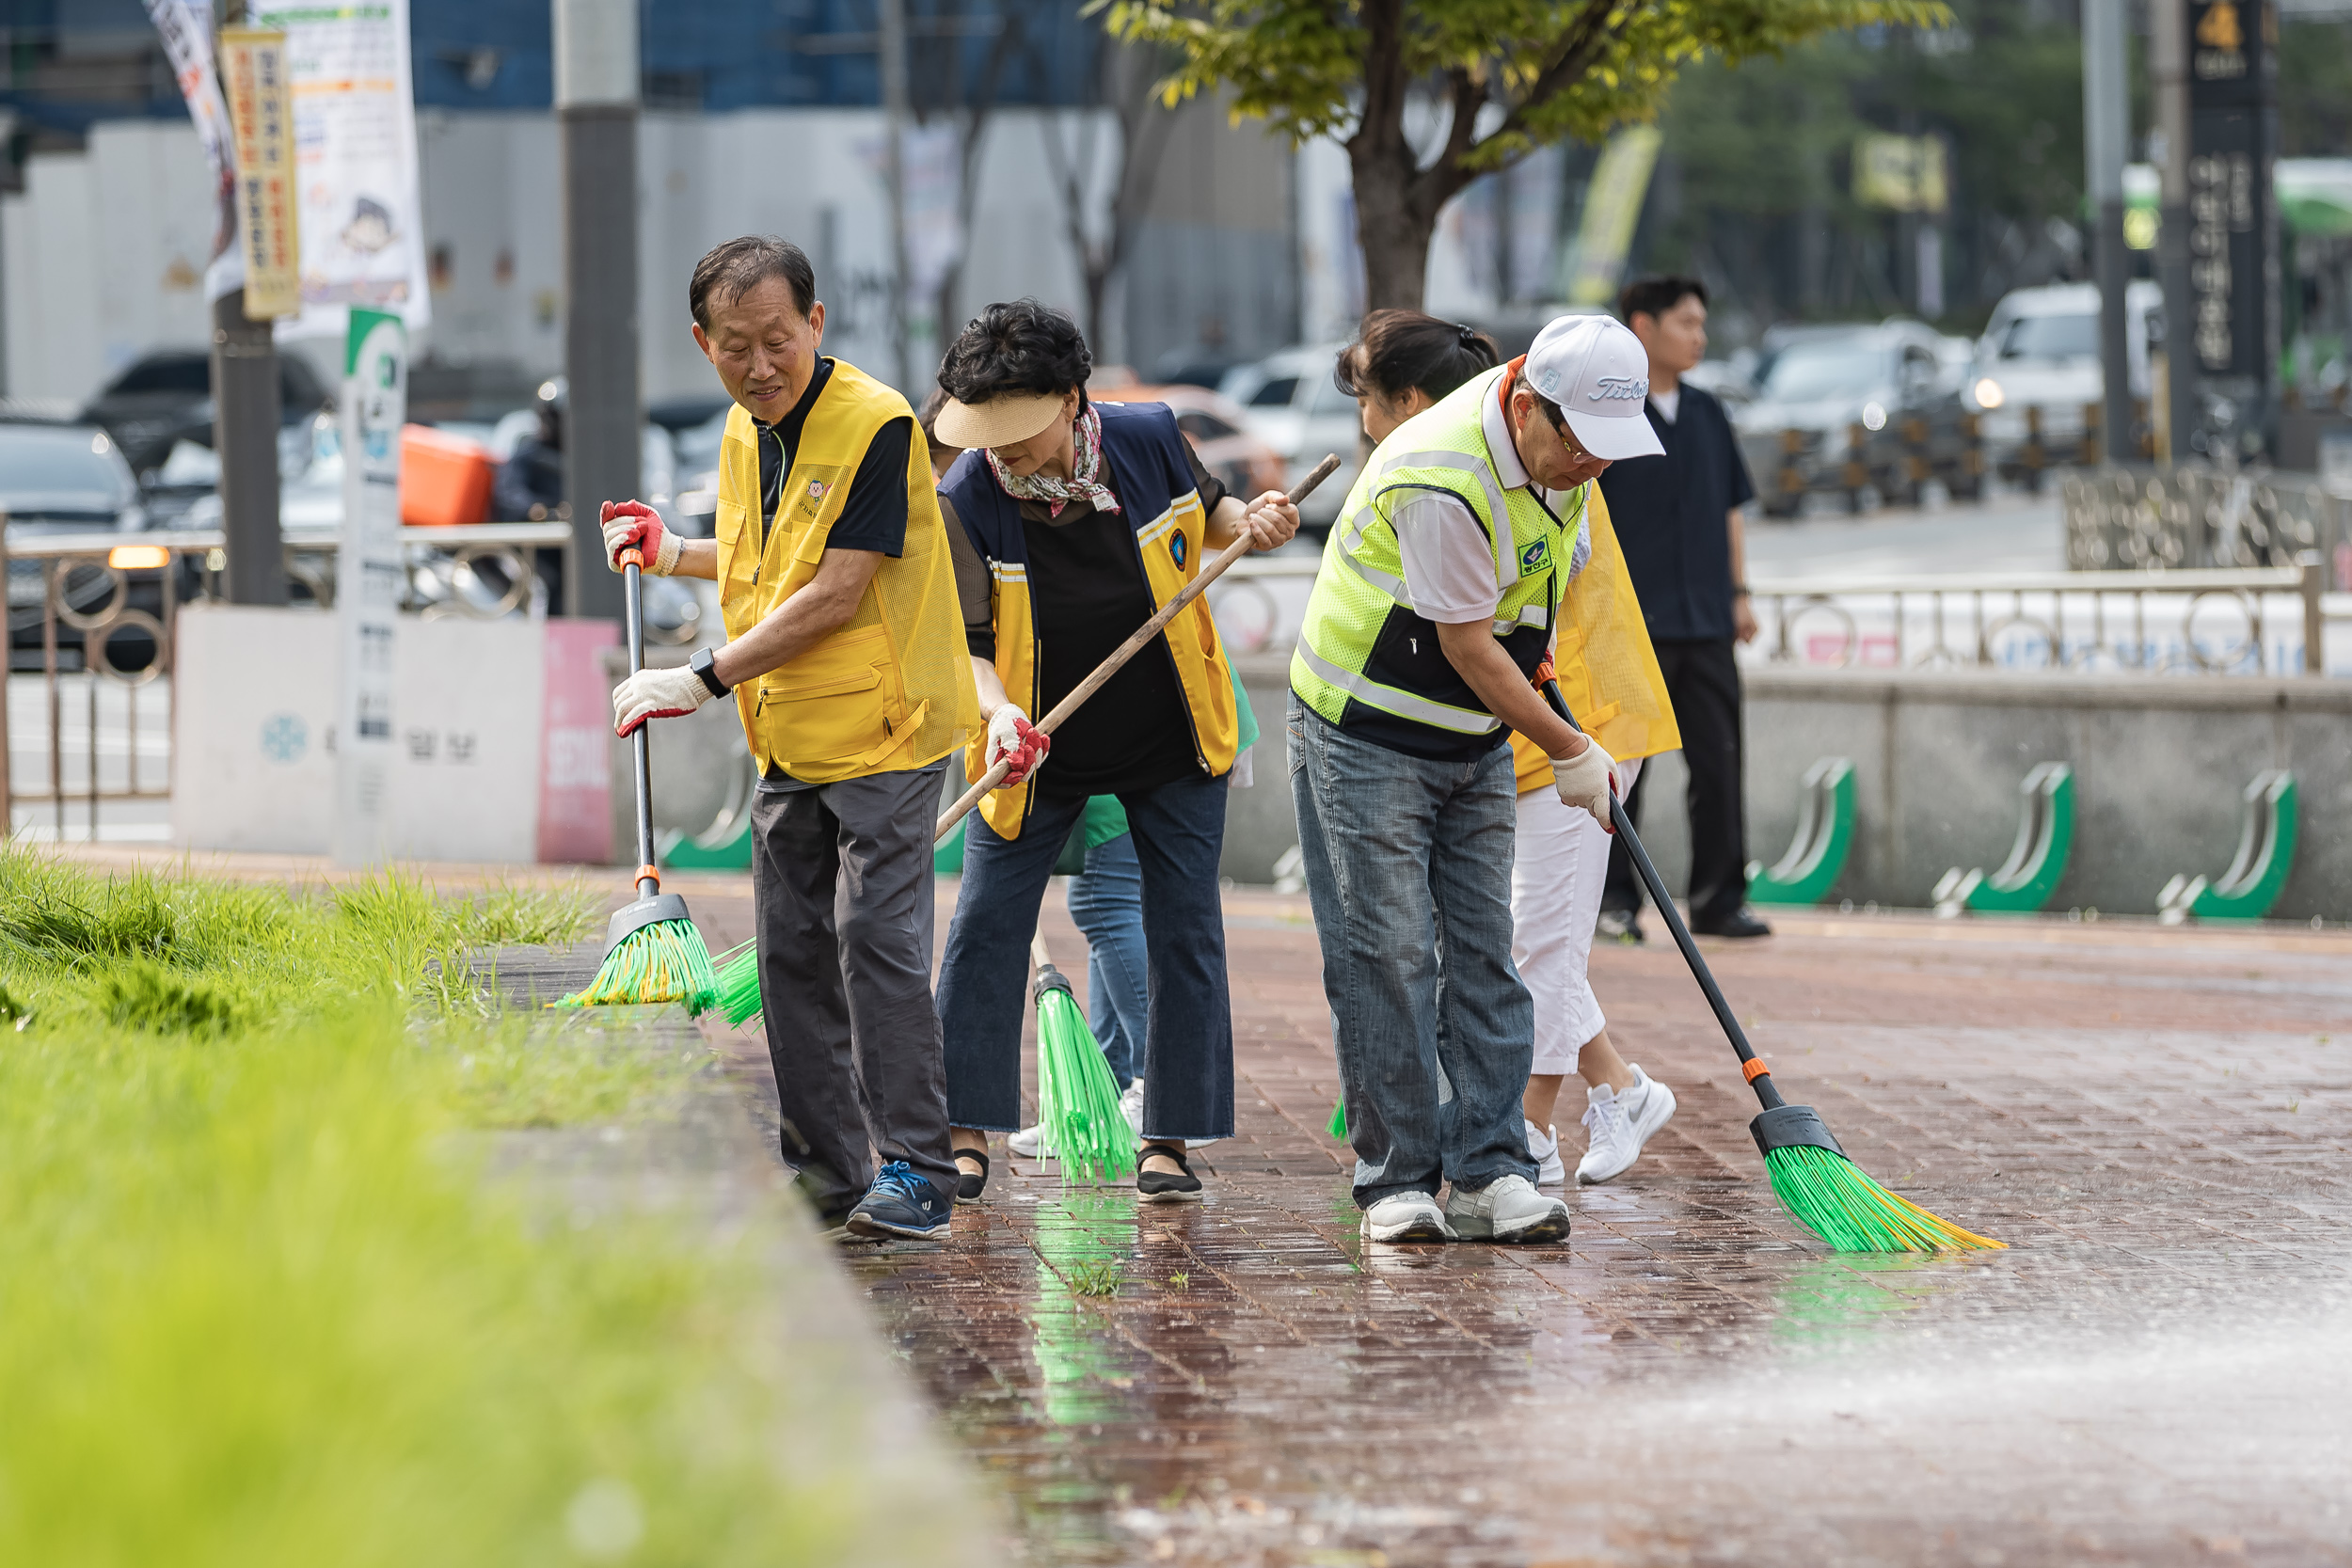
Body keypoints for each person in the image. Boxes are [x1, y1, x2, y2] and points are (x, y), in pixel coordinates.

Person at [598, 235, 979, 1243]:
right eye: (736, 347)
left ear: (816, 322)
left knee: (872, 940)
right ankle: (823, 1168)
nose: (760, 365)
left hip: (886, 725)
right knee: (789, 953)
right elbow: (771, 557)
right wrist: (672, 549)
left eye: (778, 340)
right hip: (791, 730)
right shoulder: (742, 429)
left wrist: (702, 676)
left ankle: (918, 1169)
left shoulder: (878, 423)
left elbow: (839, 587)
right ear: (703, 343)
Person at [1291, 312, 1662, 1244]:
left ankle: (1491, 1166)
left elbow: (1521, 616)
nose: (1594, 468)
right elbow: (1465, 645)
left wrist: (1560, 721)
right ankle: (1397, 1180)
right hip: (1366, 725)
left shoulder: (1563, 461)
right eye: (1581, 444)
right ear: (1528, 405)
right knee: (1389, 952)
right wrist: (1571, 751)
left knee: (1486, 950)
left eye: (1609, 451)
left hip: (1469, 731)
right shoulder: (1440, 471)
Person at [930, 300, 1298, 1203]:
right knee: (983, 927)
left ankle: (1166, 1138)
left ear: (1071, 398)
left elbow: (1211, 520)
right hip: (1033, 741)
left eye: (1015, 429)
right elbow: (969, 642)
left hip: (1169, 729)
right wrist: (1000, 711)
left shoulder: (1149, 438)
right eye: (983, 432)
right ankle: (960, 1129)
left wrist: (1256, 521)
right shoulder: (967, 495)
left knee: (1184, 928)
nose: (999, 450)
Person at [1598, 277, 1772, 942]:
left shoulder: (1706, 413)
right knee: (1622, 775)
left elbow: (1729, 508)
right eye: (1686, 323)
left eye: (1703, 324)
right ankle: (1614, 902)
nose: (1699, 336)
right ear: (1643, 326)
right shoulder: (1608, 415)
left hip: (1706, 622)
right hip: (1632, 626)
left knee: (1720, 763)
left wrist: (1739, 593)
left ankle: (1719, 900)